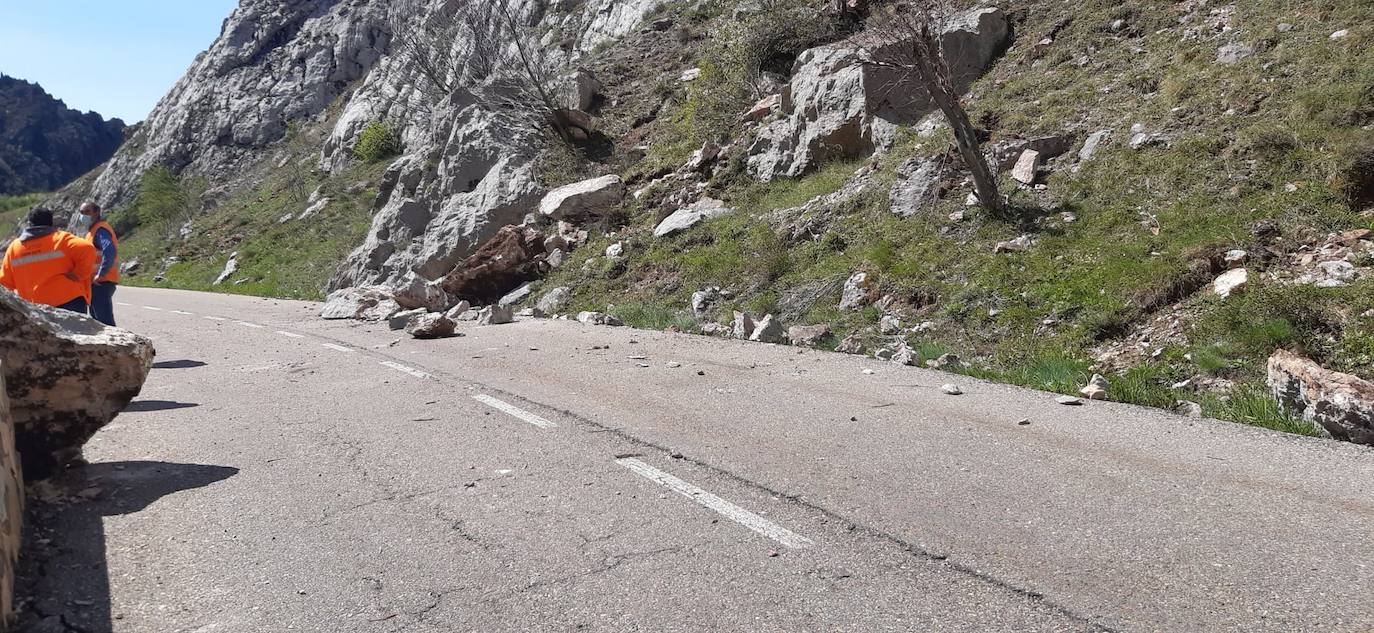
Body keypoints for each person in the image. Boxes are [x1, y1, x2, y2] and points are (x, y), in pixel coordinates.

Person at [0, 208, 100, 314]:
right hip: (68, 300)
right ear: (51, 222)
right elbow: (87, 248)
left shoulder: (15, 248)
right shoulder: (62, 239)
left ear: (29, 223)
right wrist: (79, 274)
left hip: (34, 307)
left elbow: (5, 282)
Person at [80, 202, 120, 326]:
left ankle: (117, 345)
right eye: (81, 213)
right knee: (97, 320)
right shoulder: (91, 232)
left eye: (87, 212)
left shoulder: (100, 230)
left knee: (105, 322)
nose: (83, 216)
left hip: (101, 281)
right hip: (95, 282)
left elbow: (109, 251)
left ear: (96, 213)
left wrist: (101, 273)